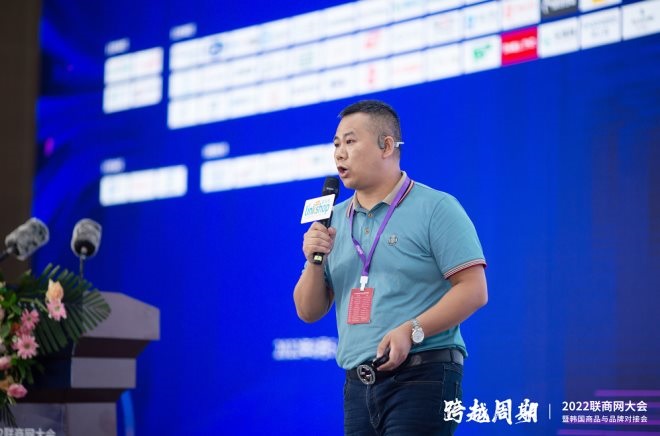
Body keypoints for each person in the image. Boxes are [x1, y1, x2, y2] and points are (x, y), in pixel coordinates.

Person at [293, 99, 488, 435]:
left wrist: (411, 331)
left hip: (422, 375)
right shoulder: (332, 219)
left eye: (350, 141)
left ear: (386, 146)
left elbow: (474, 290)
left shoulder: (436, 207)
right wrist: (313, 260)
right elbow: (308, 311)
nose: (339, 153)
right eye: (336, 144)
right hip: (358, 384)